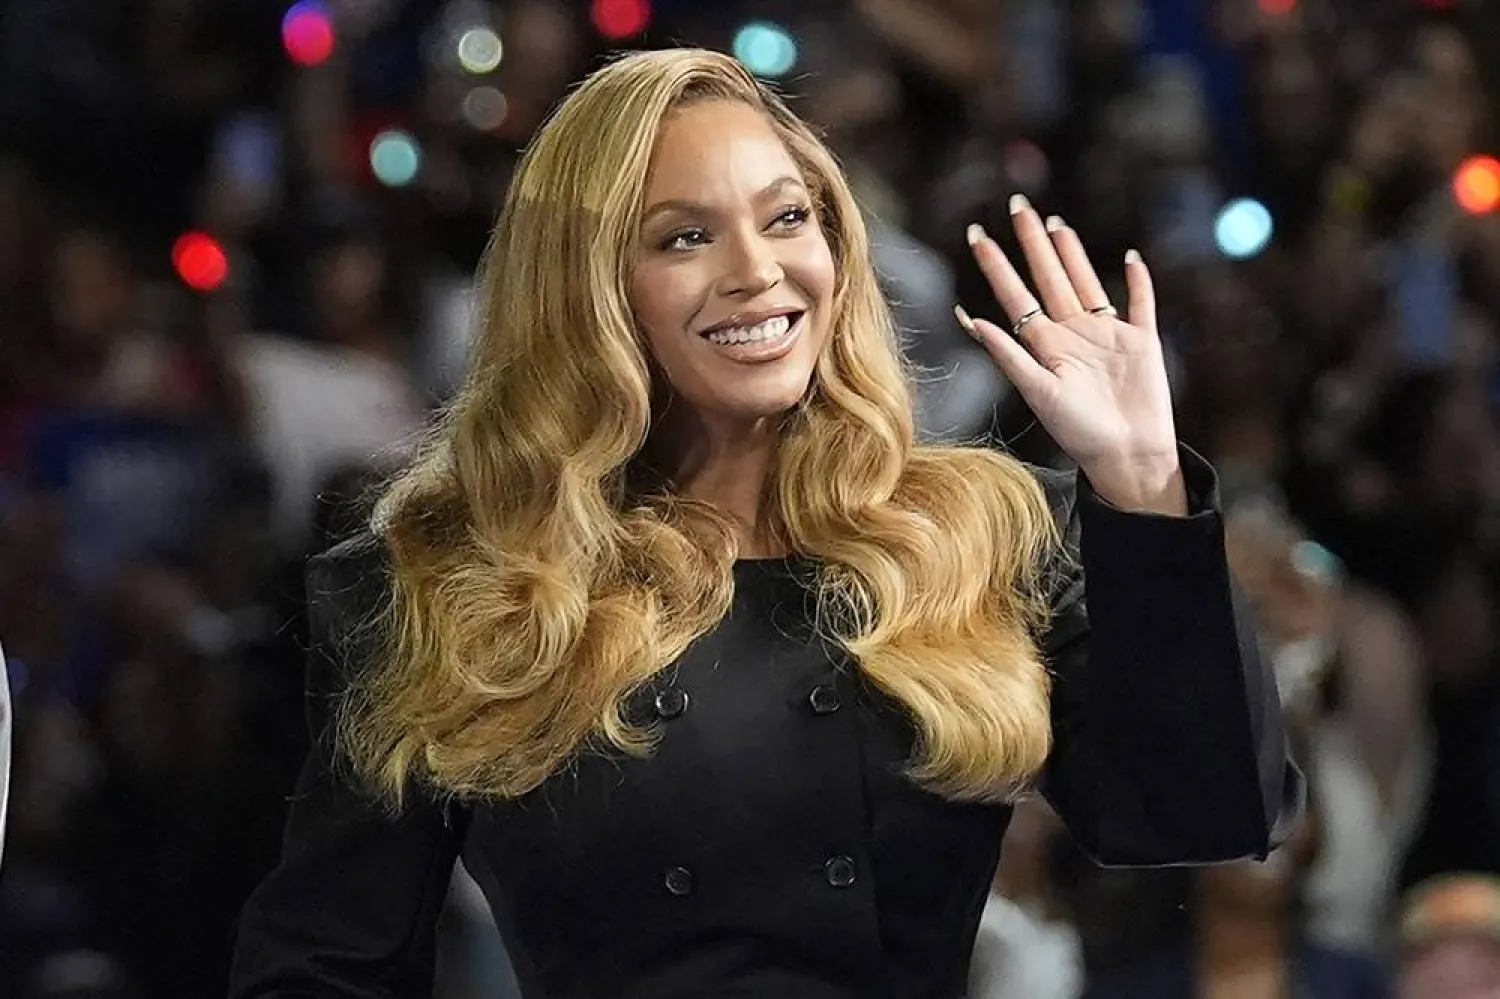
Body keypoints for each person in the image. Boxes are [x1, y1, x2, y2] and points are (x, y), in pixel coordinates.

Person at [229, 48, 1301, 999]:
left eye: (788, 217)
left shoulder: (979, 537)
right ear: (587, 292)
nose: (758, 271)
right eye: (685, 235)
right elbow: (327, 961)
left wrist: (1143, 480)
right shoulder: (451, 577)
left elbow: (1204, 814)